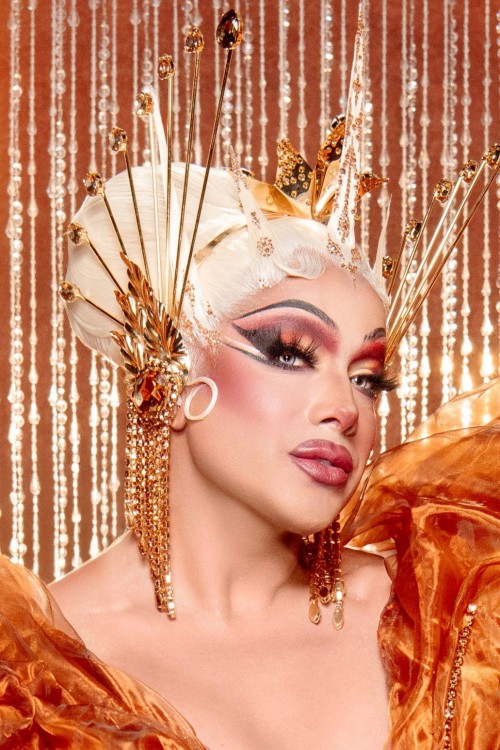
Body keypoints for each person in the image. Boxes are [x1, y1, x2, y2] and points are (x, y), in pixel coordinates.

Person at [1, 13, 498, 750]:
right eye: (291, 352)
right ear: (169, 373)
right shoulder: (33, 682)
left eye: (369, 379)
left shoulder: (454, 611)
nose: (345, 410)